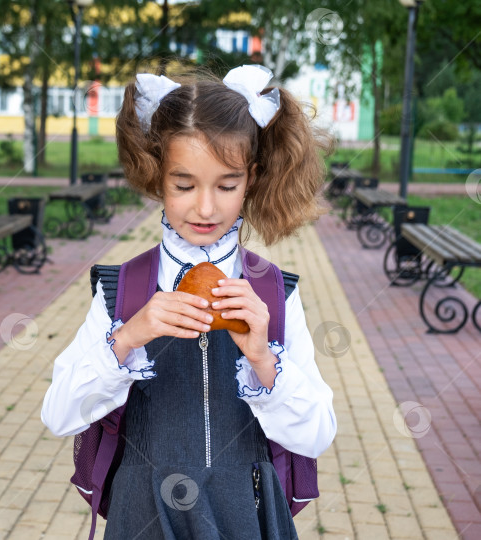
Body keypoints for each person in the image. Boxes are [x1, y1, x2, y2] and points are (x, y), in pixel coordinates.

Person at [41, 65, 337, 540]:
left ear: (251, 178)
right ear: (158, 176)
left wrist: (263, 359)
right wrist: (126, 339)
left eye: (226, 185)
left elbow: (318, 433)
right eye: (184, 185)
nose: (205, 208)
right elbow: (58, 415)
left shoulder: (274, 292)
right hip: (143, 516)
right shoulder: (122, 288)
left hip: (247, 512)